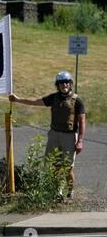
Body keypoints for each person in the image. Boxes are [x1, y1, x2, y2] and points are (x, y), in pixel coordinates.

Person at [9, 71, 86, 200]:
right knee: (55, 165)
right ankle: (58, 191)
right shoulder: (54, 98)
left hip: (70, 136)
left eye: (66, 82)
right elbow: (35, 101)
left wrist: (80, 141)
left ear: (70, 84)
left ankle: (70, 190)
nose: (64, 85)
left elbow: (82, 121)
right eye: (61, 83)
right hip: (54, 135)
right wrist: (17, 100)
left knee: (68, 168)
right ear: (58, 85)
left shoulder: (77, 101)